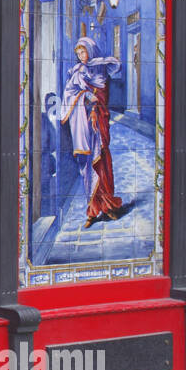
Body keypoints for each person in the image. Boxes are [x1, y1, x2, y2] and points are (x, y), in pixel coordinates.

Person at [59, 36, 123, 229]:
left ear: (91, 51)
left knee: (103, 162)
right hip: (84, 124)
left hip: (100, 123)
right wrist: (85, 95)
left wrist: (96, 100)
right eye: (78, 53)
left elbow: (103, 96)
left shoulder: (100, 69)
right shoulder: (77, 72)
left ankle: (108, 205)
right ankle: (92, 210)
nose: (81, 56)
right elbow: (68, 94)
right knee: (88, 166)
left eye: (83, 52)